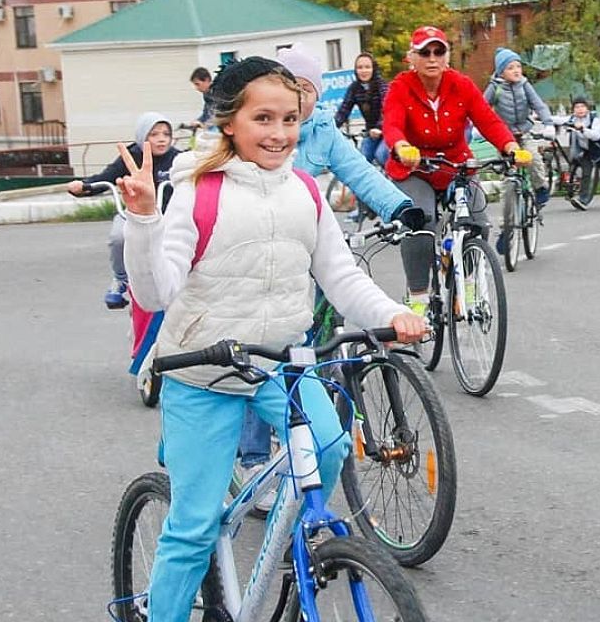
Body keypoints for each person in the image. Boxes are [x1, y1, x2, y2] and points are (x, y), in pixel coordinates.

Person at [118, 56, 427, 622]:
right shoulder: (197, 188)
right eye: (264, 118)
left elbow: (340, 275)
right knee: (193, 526)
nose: (280, 133)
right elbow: (158, 292)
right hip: (202, 370)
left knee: (330, 446)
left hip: (284, 363)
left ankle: (294, 550)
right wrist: (143, 221)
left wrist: (392, 314)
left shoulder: (304, 191)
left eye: (289, 119)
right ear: (228, 122)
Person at [231, 44, 419, 509]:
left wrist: (400, 206)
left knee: (324, 333)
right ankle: (254, 457)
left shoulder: (322, 132)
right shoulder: (264, 139)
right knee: (265, 351)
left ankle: (314, 434)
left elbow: (359, 172)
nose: (302, 100)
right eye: (295, 89)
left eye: (310, 91)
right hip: (263, 254)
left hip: (313, 239)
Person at [382, 26, 530, 314]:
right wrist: (401, 146)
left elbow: (488, 121)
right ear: (411, 57)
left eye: (439, 51)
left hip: (455, 165)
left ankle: (469, 285)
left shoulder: (460, 84)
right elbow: (392, 123)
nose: (432, 58)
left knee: (477, 221)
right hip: (416, 168)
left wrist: (510, 147)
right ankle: (419, 297)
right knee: (421, 222)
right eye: (424, 52)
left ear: (447, 56)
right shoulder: (400, 87)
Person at [66, 112, 181, 308]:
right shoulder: (130, 157)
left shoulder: (179, 159)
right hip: (136, 214)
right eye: (154, 134)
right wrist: (83, 186)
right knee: (119, 237)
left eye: (165, 134)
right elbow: (105, 178)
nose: (161, 139)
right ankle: (121, 280)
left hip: (169, 214)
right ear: (142, 137)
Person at [484, 47, 565, 210]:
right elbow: (481, 108)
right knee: (507, 178)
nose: (516, 71)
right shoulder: (495, 88)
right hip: (505, 137)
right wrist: (478, 127)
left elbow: (538, 105)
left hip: (524, 132)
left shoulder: (524, 85)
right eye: (510, 68)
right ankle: (506, 224)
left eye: (518, 66)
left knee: (534, 160)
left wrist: (548, 123)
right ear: (501, 72)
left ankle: (540, 187)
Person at [334, 51, 389, 167]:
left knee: (381, 155)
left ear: (374, 68)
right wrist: (331, 128)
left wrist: (380, 128)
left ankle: (391, 182)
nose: (364, 71)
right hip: (371, 132)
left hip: (388, 130)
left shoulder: (382, 86)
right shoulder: (354, 88)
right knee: (362, 159)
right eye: (360, 67)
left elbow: (387, 109)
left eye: (367, 67)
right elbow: (343, 111)